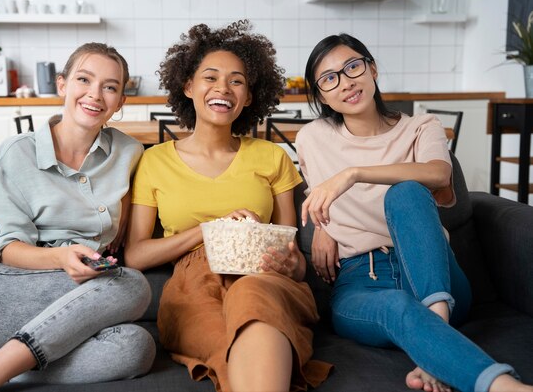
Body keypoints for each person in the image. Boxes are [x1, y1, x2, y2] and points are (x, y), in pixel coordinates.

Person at [0, 42, 155, 392]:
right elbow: (6, 248)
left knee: (135, 347)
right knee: (131, 284)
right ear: (62, 85)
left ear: (120, 102)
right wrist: (59, 257)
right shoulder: (17, 153)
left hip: (76, 296)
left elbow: (124, 230)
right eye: (84, 79)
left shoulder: (128, 153)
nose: (95, 94)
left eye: (110, 87)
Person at [295, 33, 533, 392]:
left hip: (433, 274)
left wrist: (353, 174)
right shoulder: (312, 137)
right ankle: (480, 375)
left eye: (353, 67)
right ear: (321, 94)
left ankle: (439, 329)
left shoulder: (421, 127)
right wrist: (325, 227)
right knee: (394, 305)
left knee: (406, 192)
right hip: (361, 283)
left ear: (371, 68)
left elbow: (438, 174)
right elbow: (319, 197)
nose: (346, 82)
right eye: (330, 78)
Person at [124, 20, 332, 392]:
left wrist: (292, 263)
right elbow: (136, 255)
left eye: (237, 80)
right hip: (192, 285)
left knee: (251, 296)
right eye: (210, 77)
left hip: (265, 277)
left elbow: (294, 259)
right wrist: (210, 229)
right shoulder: (154, 161)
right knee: (229, 349)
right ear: (188, 86)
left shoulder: (273, 157)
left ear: (250, 96)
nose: (223, 88)